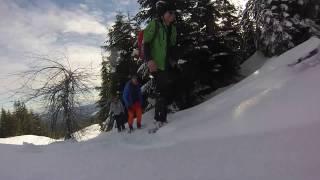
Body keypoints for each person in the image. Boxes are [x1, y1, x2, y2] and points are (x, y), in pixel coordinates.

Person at [143, 0, 177, 127]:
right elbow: (145, 43)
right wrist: (149, 60)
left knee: (167, 89)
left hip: (167, 64)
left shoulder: (172, 28)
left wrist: (173, 60)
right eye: (170, 13)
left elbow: (172, 46)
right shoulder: (155, 25)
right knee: (162, 91)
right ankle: (159, 120)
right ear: (163, 13)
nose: (173, 15)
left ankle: (162, 116)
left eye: (174, 13)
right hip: (156, 64)